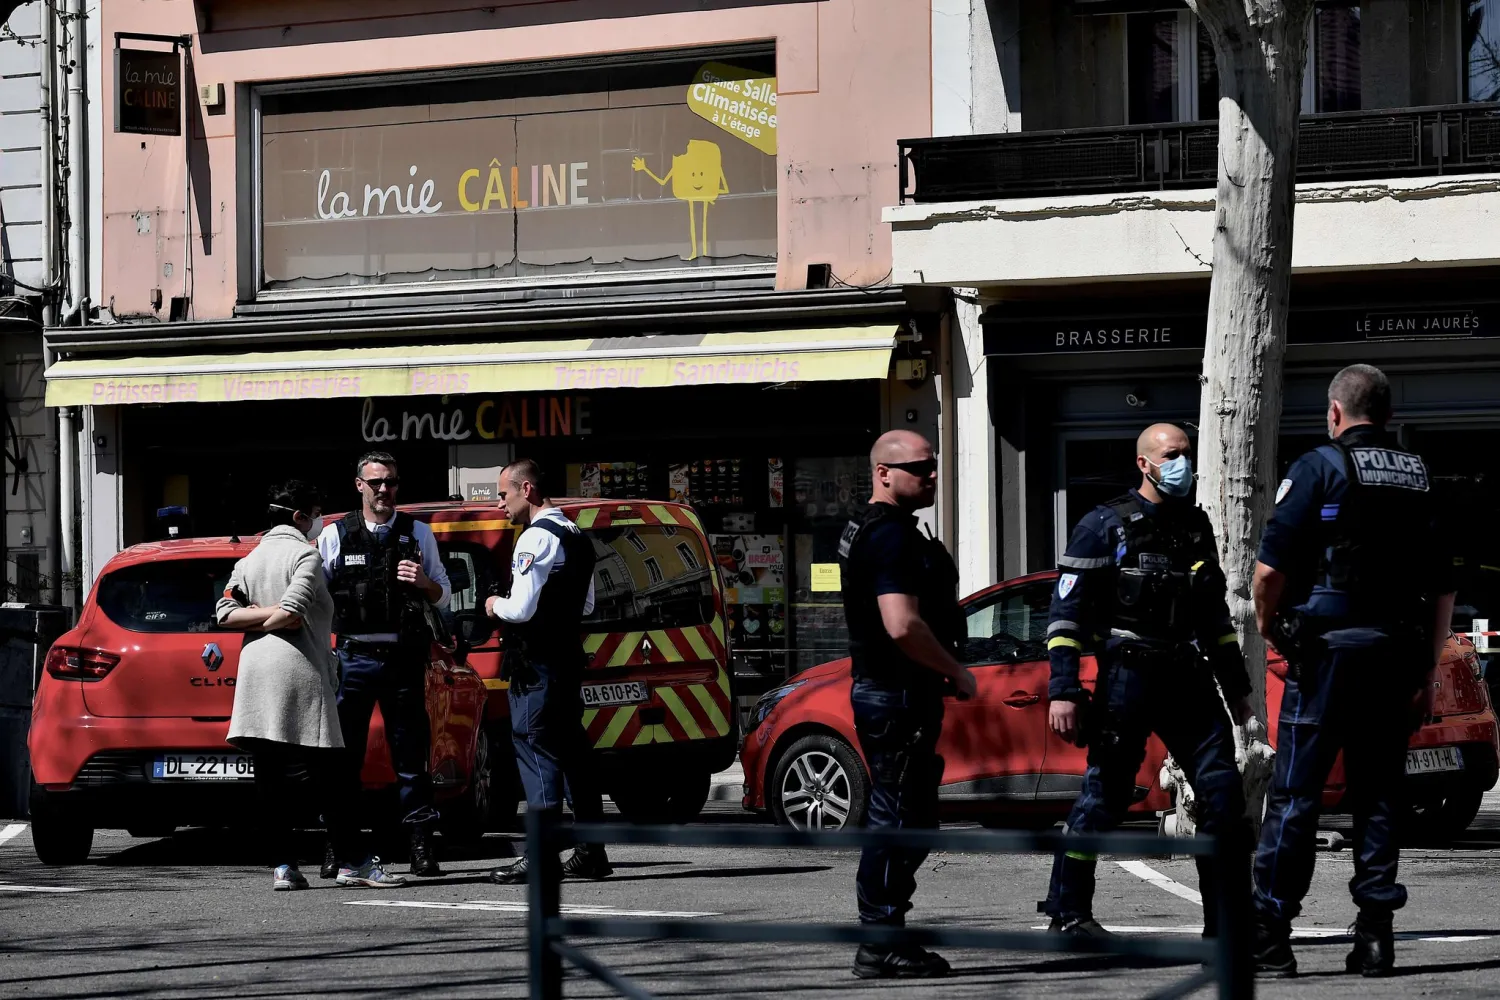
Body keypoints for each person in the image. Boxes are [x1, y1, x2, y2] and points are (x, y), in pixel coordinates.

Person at [1251, 365, 1457, 979]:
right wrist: (1426, 667)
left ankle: (1271, 936)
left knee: (1295, 798)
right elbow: (1444, 587)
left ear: (1336, 413)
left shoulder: (1317, 467)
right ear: (1388, 416)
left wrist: (1269, 629)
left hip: (1327, 656)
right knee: (1379, 796)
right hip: (1395, 655)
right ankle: (1375, 938)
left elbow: (1268, 574)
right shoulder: (1421, 477)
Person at [1042, 423, 1253, 941]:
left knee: (1223, 794)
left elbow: (1216, 624)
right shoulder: (1103, 526)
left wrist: (1241, 696)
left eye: (1186, 453)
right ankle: (1069, 915)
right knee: (1106, 797)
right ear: (1144, 464)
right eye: (1171, 455)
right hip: (1127, 676)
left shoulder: (1196, 528)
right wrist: (1064, 690)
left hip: (1186, 674)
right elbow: (1064, 616)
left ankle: (1225, 923)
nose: (1182, 463)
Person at [215, 481, 404, 889]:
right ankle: (354, 861)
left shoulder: (249, 560)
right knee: (333, 777)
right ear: (300, 517)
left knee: (270, 775)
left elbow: (226, 614)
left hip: (254, 676)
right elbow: (290, 610)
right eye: (315, 512)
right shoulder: (306, 556)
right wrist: (277, 616)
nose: (319, 521)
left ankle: (283, 865)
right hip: (301, 673)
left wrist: (255, 617)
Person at [838, 430, 976, 980]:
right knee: (897, 818)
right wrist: (957, 670)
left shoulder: (870, 529)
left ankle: (888, 932)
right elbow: (901, 624)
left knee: (911, 818)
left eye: (935, 465)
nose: (932, 475)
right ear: (884, 473)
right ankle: (880, 941)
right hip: (897, 695)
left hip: (893, 693)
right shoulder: (889, 536)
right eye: (920, 467)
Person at [317, 451, 452, 879]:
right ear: (359, 485)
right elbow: (315, 596)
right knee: (344, 760)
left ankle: (420, 845)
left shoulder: (418, 534)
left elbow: (444, 594)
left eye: (390, 482)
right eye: (375, 482)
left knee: (411, 758)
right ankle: (340, 847)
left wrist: (425, 583)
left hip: (403, 658)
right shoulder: (334, 535)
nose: (383, 490)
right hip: (352, 657)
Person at [484, 458, 613, 885]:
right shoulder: (577, 536)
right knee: (573, 752)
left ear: (527, 489)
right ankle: (592, 851)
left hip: (536, 664)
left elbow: (519, 610)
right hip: (566, 662)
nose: (500, 503)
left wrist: (493, 605)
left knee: (536, 748)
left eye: (504, 494)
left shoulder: (534, 538)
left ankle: (541, 852)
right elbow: (589, 605)